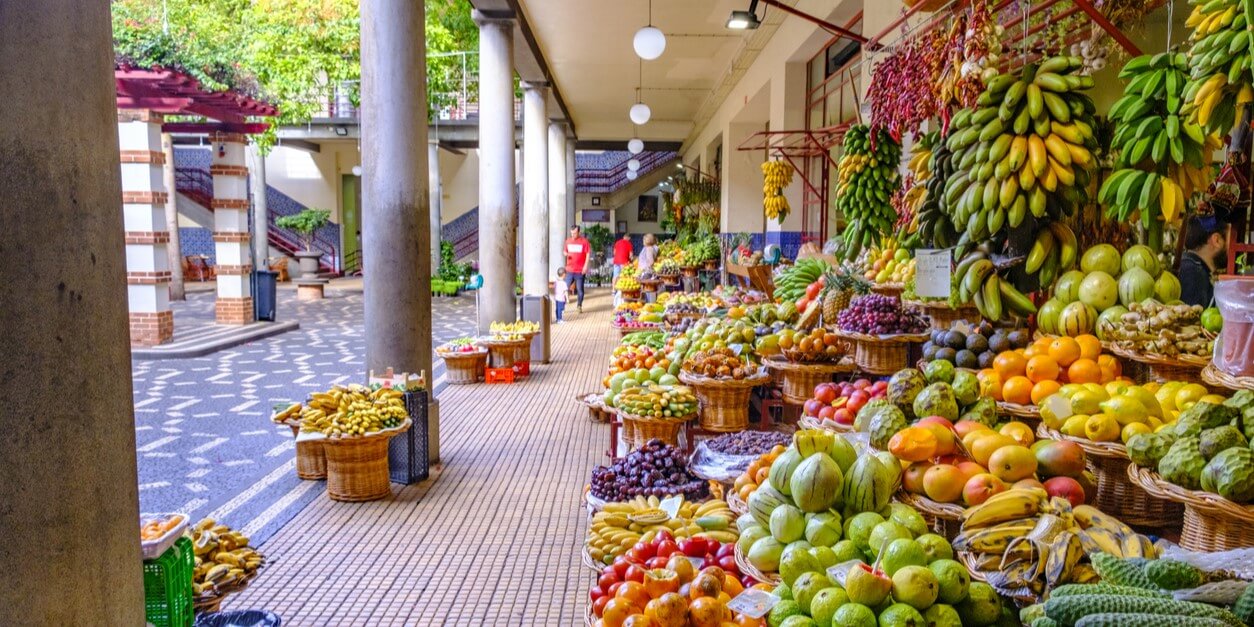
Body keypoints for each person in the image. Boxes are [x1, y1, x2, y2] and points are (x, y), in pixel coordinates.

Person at [1178, 215, 1229, 307]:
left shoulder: (1192, 267)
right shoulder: (1193, 273)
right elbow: (1191, 319)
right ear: (1216, 240)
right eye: (1232, 239)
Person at [564, 225, 592, 313]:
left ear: (579, 232)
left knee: (580, 289)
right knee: (565, 288)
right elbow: (565, 251)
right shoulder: (567, 241)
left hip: (580, 270)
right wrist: (565, 254)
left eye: (575, 233)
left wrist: (585, 266)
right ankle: (562, 306)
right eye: (571, 233)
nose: (573, 235)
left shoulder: (584, 242)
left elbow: (588, 254)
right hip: (569, 270)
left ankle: (579, 306)